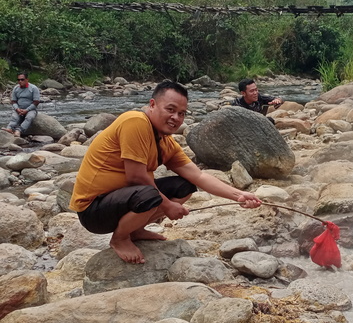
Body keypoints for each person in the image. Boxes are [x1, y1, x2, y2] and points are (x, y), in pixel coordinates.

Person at [69, 80, 262, 264]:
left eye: (181, 113)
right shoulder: (135, 121)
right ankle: (120, 239)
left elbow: (198, 176)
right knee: (149, 193)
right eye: (170, 109)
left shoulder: (166, 143)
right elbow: (135, 176)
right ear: (152, 104)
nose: (176, 118)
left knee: (184, 186)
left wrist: (239, 196)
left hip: (120, 202)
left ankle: (135, 230)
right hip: (93, 210)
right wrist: (168, 205)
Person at [3, 72, 40, 137]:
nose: (20, 81)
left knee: (29, 117)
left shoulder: (33, 88)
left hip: (31, 109)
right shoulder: (16, 88)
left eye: (22, 79)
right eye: (18, 80)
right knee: (15, 117)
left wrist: (27, 110)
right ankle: (9, 128)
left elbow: (36, 102)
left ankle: (19, 130)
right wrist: (17, 109)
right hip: (19, 108)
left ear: (27, 80)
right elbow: (13, 101)